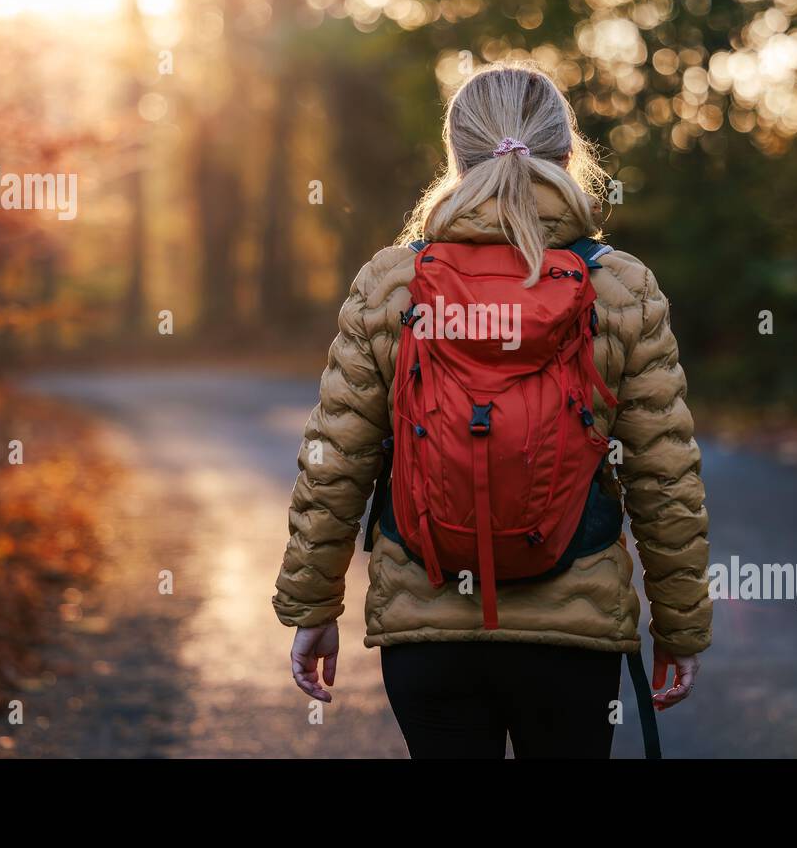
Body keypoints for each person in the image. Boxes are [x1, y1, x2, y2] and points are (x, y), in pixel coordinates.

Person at [272, 62, 710, 759]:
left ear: (456, 159)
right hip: (573, 635)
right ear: (566, 156)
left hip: (430, 633)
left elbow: (335, 461)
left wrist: (313, 608)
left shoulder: (392, 282)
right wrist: (681, 628)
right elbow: (665, 477)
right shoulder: (621, 286)